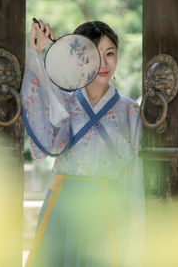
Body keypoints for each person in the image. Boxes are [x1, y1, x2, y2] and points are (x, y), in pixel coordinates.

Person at [21, 20, 145, 267]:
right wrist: (37, 51)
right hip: (63, 208)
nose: (104, 63)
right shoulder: (63, 103)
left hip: (109, 211)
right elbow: (36, 110)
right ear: (77, 59)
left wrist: (136, 225)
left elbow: (135, 174)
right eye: (93, 55)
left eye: (110, 54)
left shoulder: (130, 110)